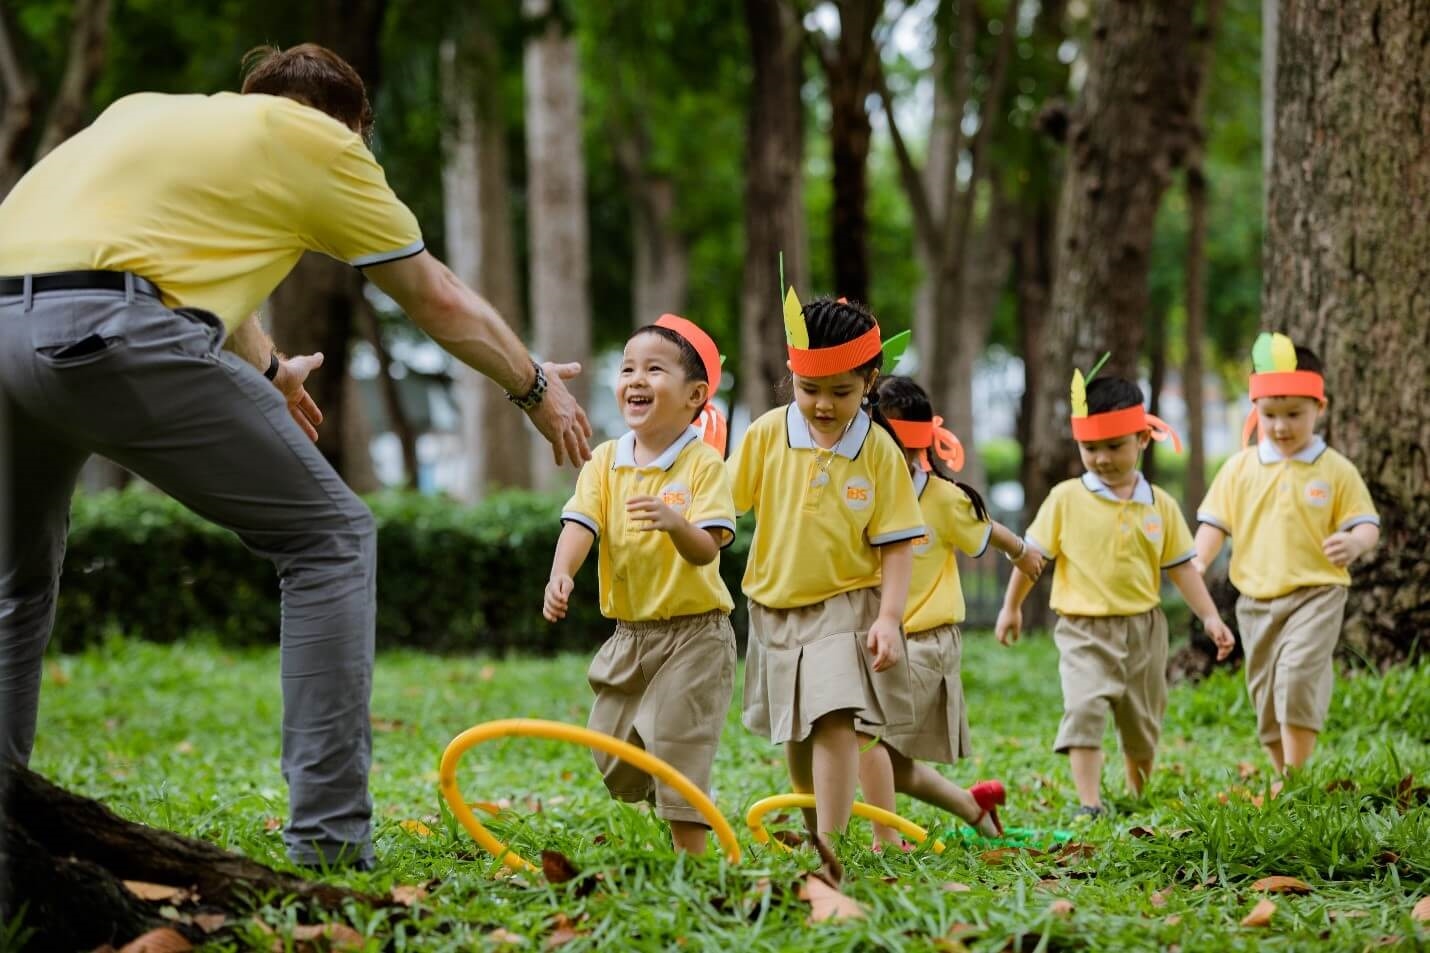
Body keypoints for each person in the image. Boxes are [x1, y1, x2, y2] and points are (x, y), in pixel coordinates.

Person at [0, 43, 592, 870]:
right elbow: (437, 297)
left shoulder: (156, 115)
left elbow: (181, 258)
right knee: (332, 539)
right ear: (350, 125)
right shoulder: (325, 143)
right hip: (110, 335)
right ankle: (330, 841)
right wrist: (537, 388)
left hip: (7, 331)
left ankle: (6, 820)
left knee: (16, 584)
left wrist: (274, 370)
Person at [729, 294, 924, 856]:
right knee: (797, 733)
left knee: (836, 721)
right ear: (792, 375)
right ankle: (817, 823)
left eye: (841, 392)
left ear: (870, 380)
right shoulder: (767, 433)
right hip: (773, 609)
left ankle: (831, 852)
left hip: (846, 607)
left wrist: (889, 617)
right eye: (810, 390)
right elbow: (723, 506)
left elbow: (897, 545)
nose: (822, 405)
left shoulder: (880, 451)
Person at [996, 372, 1234, 819]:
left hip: (1144, 630)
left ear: (1142, 439)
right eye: (1091, 449)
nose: (1101, 459)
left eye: (1114, 447)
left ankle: (1137, 792)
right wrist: (1011, 607)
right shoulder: (1066, 498)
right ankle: (1089, 803)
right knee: (1084, 706)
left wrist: (1210, 617)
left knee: (1141, 722)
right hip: (1083, 627)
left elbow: (1182, 567)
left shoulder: (1159, 504)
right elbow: (1033, 558)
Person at [543, 315, 736, 854]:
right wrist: (561, 574)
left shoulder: (702, 465)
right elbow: (581, 522)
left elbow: (708, 547)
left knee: (678, 747)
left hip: (695, 635)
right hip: (629, 636)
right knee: (613, 753)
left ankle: (692, 864)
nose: (636, 379)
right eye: (628, 367)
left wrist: (677, 523)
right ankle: (675, 793)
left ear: (695, 395)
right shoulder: (606, 461)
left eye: (654, 369)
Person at [856, 375, 1046, 849]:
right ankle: (972, 806)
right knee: (889, 764)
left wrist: (1022, 552)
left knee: (861, 733)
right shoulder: (862, 493)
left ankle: (886, 841)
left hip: (925, 643)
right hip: (882, 642)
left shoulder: (942, 498)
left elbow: (991, 529)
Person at [1194, 333, 1379, 773]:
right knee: (1264, 688)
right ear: (1254, 410)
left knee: (1297, 675)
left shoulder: (1335, 469)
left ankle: (1296, 771)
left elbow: (1367, 522)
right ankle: (1280, 770)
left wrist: (1356, 542)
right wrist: (1197, 561)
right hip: (1255, 600)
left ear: (1320, 408)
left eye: (1294, 414)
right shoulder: (1240, 468)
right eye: (1269, 414)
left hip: (1317, 593)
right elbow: (1214, 523)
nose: (1280, 426)